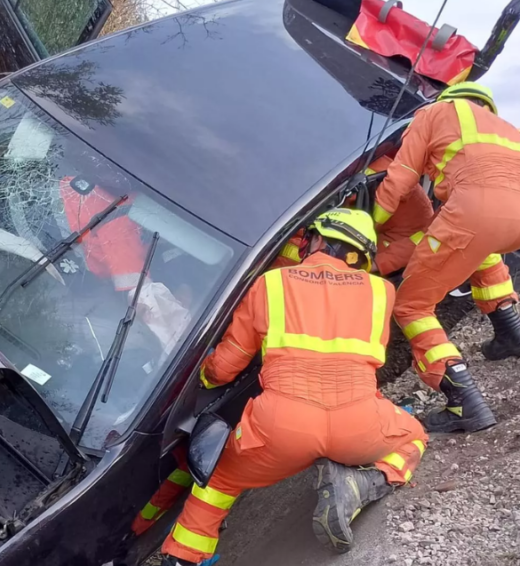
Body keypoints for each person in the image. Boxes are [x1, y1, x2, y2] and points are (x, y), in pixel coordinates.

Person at [160, 209, 428, 565]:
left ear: (317, 240)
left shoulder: (271, 283)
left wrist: (206, 378)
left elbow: (226, 366)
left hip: (280, 427)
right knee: (414, 438)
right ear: (360, 256)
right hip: (358, 422)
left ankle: (182, 558)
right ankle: (366, 483)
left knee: (220, 481)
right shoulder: (382, 292)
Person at [373, 82, 520, 434]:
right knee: (479, 248)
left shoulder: (433, 113)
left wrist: (370, 228)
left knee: (412, 305)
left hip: (478, 211)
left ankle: (463, 400)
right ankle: (511, 334)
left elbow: (401, 179)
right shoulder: (504, 127)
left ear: (449, 100)